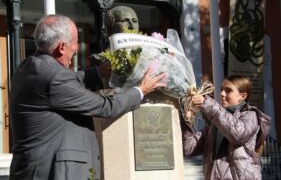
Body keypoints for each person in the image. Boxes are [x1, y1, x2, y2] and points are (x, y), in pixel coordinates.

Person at [9, 14, 166, 180]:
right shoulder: (54, 77)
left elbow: (67, 82)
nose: (76, 48)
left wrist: (100, 72)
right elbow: (105, 107)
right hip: (51, 172)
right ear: (61, 47)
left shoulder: (29, 66)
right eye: (75, 42)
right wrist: (141, 90)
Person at [181, 74, 271, 180]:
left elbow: (237, 134)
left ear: (243, 96)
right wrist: (186, 119)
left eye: (228, 90)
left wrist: (207, 103)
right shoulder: (215, 122)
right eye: (222, 89)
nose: (222, 94)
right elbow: (187, 148)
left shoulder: (250, 116)